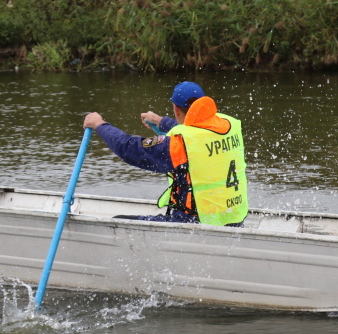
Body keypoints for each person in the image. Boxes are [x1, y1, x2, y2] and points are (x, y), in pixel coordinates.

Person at [83, 82, 248, 226]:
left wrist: (100, 124)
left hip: (192, 223)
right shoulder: (228, 124)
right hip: (232, 219)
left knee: (118, 221)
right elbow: (193, 132)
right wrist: (159, 120)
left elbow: (128, 148)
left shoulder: (179, 144)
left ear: (176, 109)